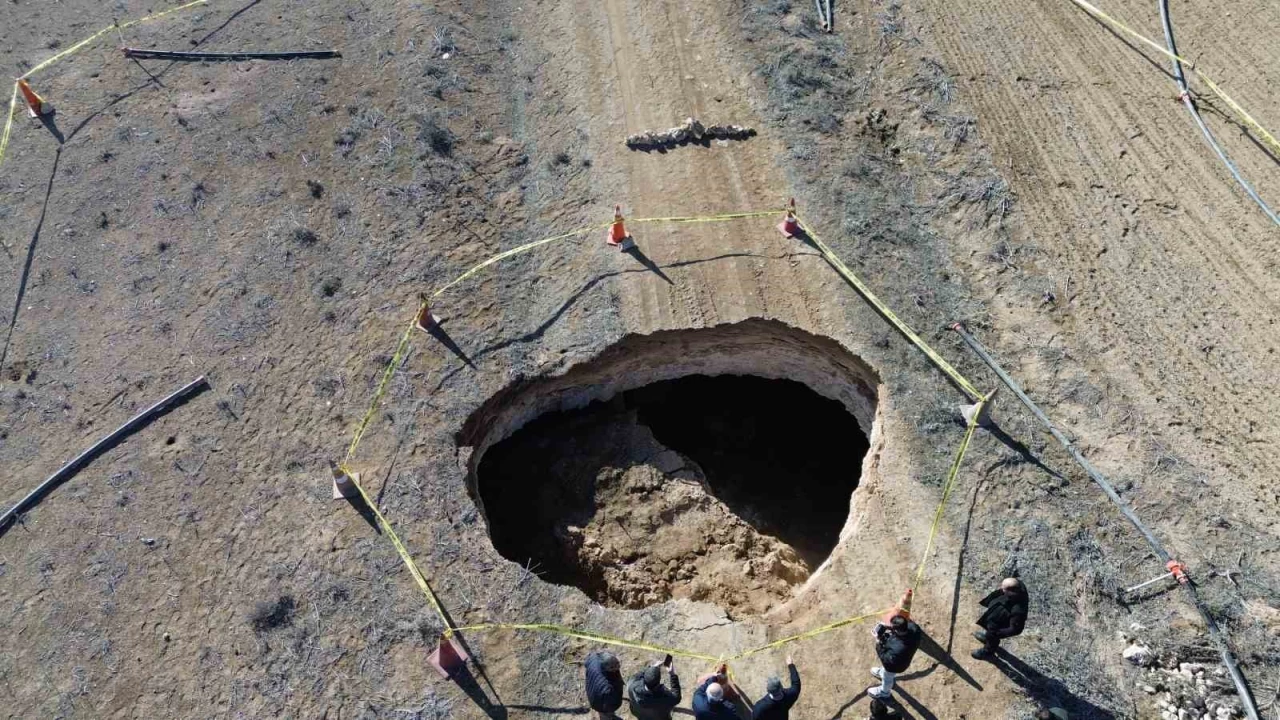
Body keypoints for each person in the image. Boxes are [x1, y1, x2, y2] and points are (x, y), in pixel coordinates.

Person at [972, 577, 1029, 660]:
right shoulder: (1016, 585)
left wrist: (997, 633)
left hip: (999, 626)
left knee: (992, 638)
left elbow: (1016, 629)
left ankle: (988, 651)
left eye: (1004, 589)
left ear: (1011, 591)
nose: (1001, 589)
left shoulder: (1018, 610)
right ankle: (987, 637)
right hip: (996, 616)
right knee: (989, 632)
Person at [868, 614, 922, 700]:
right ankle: (882, 672)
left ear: (897, 630)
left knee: (888, 677)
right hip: (902, 658)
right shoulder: (915, 628)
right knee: (885, 672)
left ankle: (884, 692)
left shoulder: (898, 648)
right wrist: (889, 627)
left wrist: (878, 642)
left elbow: (885, 658)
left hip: (895, 666)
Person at [628, 656, 681, 720]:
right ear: (658, 682)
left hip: (640, 714)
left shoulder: (632, 685)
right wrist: (672, 674)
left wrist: (652, 668)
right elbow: (676, 698)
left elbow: (637, 675)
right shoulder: (662, 699)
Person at [750, 655, 800, 720]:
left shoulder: (760, 707)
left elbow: (755, 718)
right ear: (781, 687)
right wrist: (790, 665)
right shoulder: (790, 695)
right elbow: (796, 683)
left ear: (768, 690)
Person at [585, 651, 625, 719]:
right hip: (599, 704)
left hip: (591, 691)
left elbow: (586, 663)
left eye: (618, 664)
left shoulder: (594, 658)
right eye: (613, 668)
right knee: (606, 715)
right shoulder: (608, 689)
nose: (617, 668)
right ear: (606, 668)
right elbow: (614, 704)